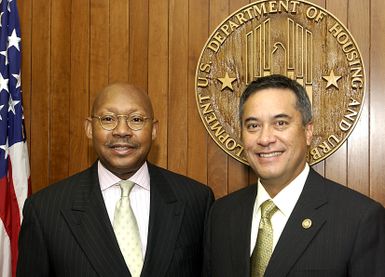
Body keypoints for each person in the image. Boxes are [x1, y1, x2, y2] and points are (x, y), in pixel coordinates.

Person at [17, 83, 214, 277]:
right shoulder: (45, 210)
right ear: (89, 128)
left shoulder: (196, 201)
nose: (122, 131)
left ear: (153, 130)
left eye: (136, 119)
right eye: (108, 119)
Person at [204, 74, 385, 277]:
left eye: (280, 123)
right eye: (253, 126)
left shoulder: (359, 219)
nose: (265, 138)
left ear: (308, 131)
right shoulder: (221, 215)